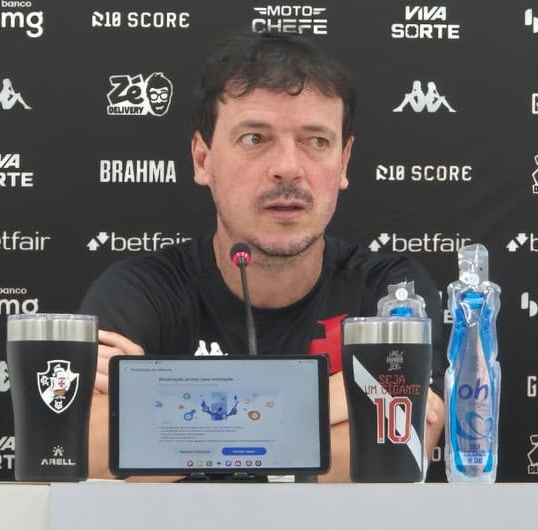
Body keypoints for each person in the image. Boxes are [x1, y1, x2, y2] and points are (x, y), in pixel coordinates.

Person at [81, 31, 446, 481]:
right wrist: (322, 400)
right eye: (255, 138)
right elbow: (91, 450)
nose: (288, 167)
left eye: (316, 141)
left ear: (344, 162)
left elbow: (391, 452)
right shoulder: (141, 292)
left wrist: (166, 413)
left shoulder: (390, 291)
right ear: (202, 158)